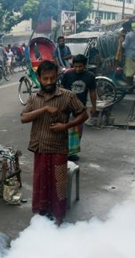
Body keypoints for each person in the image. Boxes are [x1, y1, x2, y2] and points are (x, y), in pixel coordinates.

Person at [20, 61, 88, 225]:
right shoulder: (34, 98)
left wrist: (66, 126)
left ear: (57, 76)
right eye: (45, 79)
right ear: (39, 78)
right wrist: (44, 109)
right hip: (40, 147)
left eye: (52, 78)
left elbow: (83, 114)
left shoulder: (67, 96)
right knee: (41, 182)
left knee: (59, 184)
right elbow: (23, 118)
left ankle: (58, 216)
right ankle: (42, 212)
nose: (49, 82)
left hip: (58, 148)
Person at [60, 54, 98, 162]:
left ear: (85, 66)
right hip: (67, 107)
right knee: (66, 129)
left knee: (78, 131)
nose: (77, 69)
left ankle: (73, 152)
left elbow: (92, 92)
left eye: (80, 66)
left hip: (80, 107)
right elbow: (61, 89)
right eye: (75, 66)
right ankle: (64, 151)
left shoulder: (90, 76)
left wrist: (94, 107)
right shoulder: (68, 75)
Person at [122, 22, 135, 86]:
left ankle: (129, 84)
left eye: (124, 28)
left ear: (127, 27)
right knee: (134, 69)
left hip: (130, 54)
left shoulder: (128, 35)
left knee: (129, 70)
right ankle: (133, 83)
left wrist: (122, 42)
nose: (124, 29)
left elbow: (125, 45)